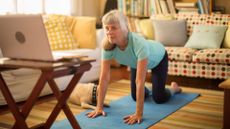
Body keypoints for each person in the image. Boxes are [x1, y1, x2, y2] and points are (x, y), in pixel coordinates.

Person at [86, 10, 182, 125]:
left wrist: (138, 113)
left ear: (124, 28)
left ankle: (174, 88)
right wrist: (99, 107)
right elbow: (104, 78)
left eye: (114, 28)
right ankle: (154, 87)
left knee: (159, 98)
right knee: (135, 97)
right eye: (107, 28)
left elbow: (140, 81)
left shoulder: (137, 43)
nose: (109, 32)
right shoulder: (107, 46)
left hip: (157, 58)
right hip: (135, 62)